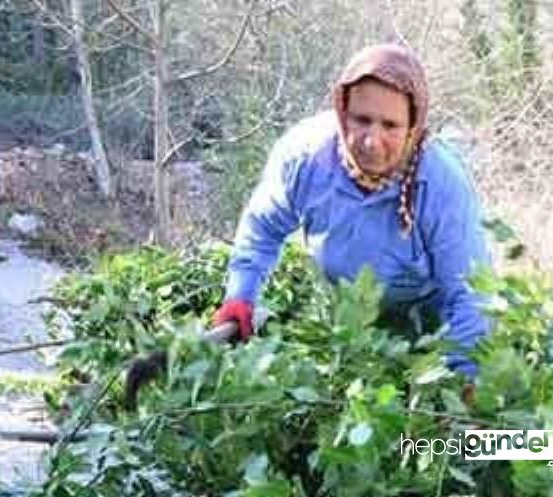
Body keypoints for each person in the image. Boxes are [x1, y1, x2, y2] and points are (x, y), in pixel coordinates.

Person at [125, 43, 494, 408]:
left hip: (432, 329)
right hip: (350, 324)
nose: (371, 140)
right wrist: (241, 294)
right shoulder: (307, 159)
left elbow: (471, 294)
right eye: (361, 119)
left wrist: (459, 383)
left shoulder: (441, 184)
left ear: (413, 127)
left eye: (390, 125)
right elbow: (262, 228)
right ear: (342, 111)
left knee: (426, 443)